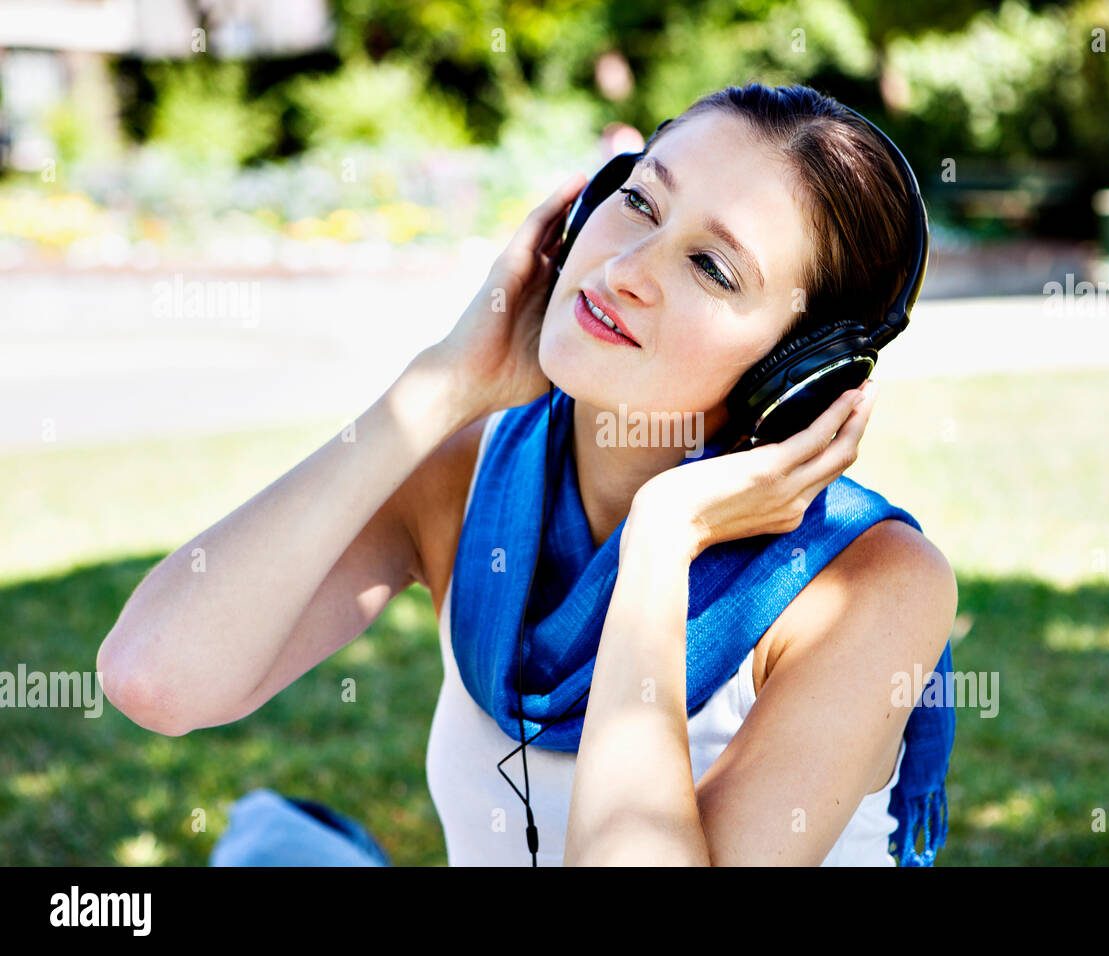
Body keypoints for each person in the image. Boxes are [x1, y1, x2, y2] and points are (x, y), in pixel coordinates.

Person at [98, 82, 958, 867]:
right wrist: (440, 387)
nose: (625, 270)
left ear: (799, 373)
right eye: (638, 202)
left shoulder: (870, 582)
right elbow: (155, 679)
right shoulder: (471, 471)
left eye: (711, 266)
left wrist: (661, 543)